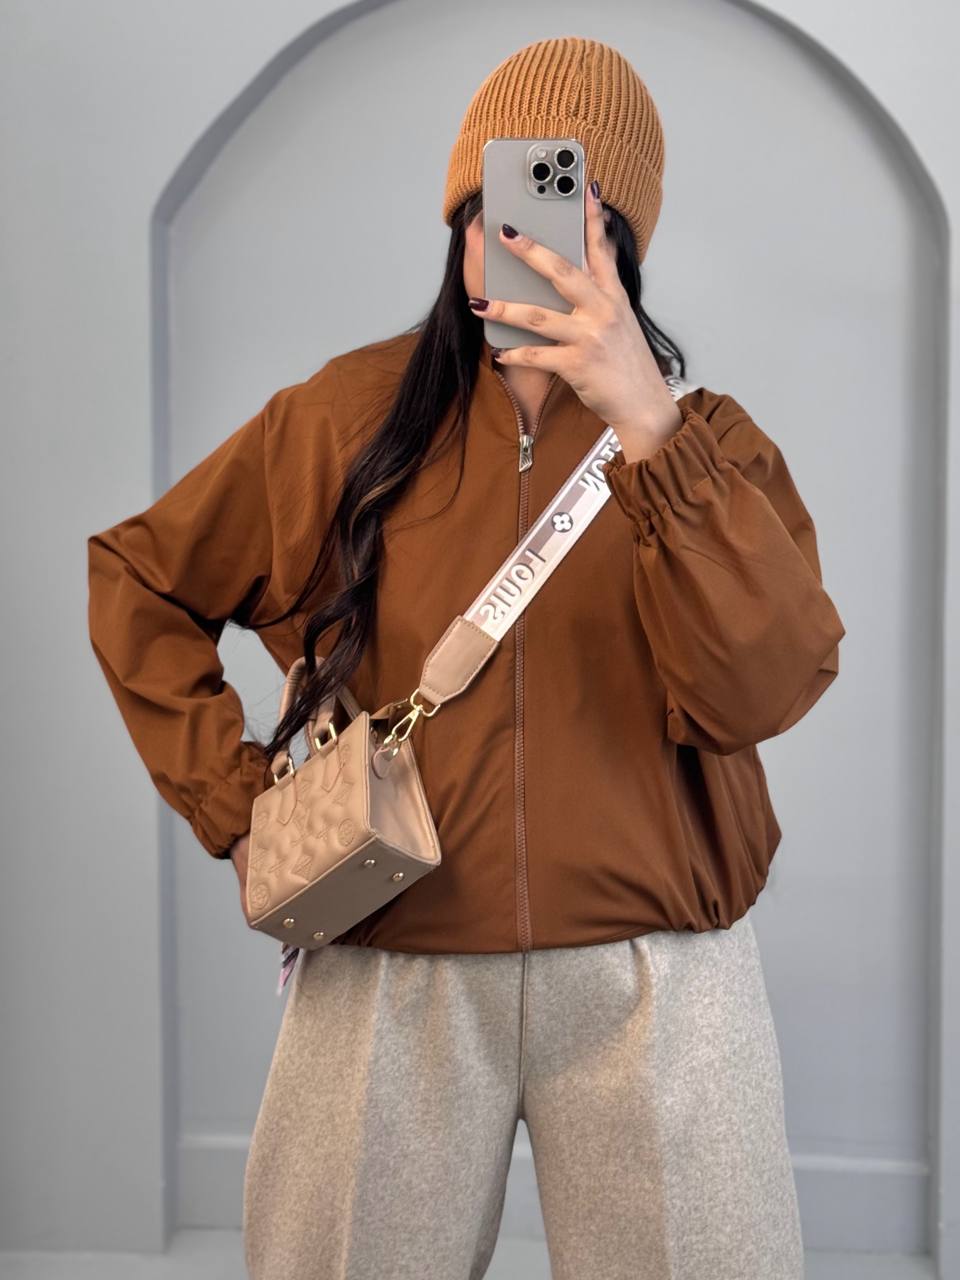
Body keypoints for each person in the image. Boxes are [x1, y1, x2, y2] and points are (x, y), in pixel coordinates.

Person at [87, 34, 845, 1280]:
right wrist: (239, 805)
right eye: (507, 208)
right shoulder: (345, 420)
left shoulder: (708, 449)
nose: (536, 244)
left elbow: (763, 688)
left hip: (660, 976)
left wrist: (649, 428)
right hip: (390, 961)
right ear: (464, 217)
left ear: (628, 246)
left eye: (586, 219)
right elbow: (141, 574)